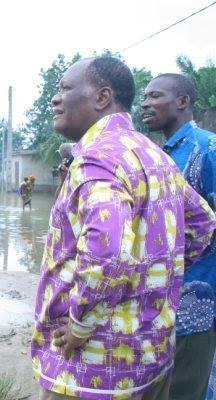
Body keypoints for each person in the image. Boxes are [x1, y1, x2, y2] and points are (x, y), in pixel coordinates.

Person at [32, 56, 216, 400]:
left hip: (93, 370)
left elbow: (108, 251)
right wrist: (153, 273)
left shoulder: (98, 158)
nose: (56, 98)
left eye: (65, 89)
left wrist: (81, 322)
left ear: (102, 98)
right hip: (150, 357)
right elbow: (203, 223)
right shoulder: (154, 153)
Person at [141, 73, 216, 400]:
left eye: (155, 96)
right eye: (144, 97)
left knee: (187, 389)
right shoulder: (160, 154)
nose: (145, 103)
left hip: (197, 302)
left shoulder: (207, 149)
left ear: (182, 102)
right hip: (158, 301)